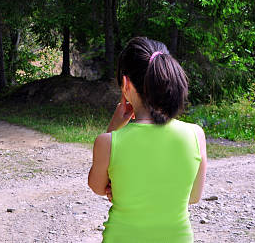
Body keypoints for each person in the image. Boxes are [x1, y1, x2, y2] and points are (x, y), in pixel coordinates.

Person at [88, 37, 207, 242]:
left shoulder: (107, 142)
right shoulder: (196, 135)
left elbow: (98, 187)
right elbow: (193, 197)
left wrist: (114, 126)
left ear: (125, 84)